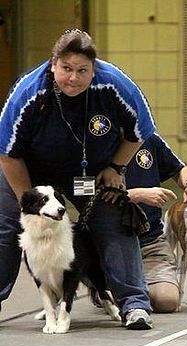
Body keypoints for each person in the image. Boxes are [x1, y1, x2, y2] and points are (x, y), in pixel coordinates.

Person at [0, 29, 156, 329]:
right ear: (53, 64)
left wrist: (116, 167)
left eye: (82, 70)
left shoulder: (115, 85)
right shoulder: (29, 92)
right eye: (67, 69)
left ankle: (134, 305)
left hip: (91, 171)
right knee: (6, 227)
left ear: (93, 69)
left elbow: (140, 132)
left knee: (115, 219)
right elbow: (7, 153)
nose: (74, 78)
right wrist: (26, 200)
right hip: (30, 171)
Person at [124, 132, 187, 312]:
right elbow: (88, 194)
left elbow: (181, 168)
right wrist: (137, 195)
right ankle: (105, 287)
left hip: (151, 242)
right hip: (112, 242)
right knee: (119, 297)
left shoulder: (149, 138)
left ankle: (132, 286)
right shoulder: (95, 142)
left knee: (168, 301)